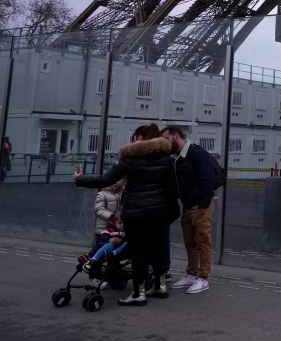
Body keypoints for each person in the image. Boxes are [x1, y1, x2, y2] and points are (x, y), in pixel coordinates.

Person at [75, 124, 180, 306]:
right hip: (159, 212)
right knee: (158, 247)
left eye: (136, 136)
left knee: (138, 252)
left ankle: (138, 294)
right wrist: (171, 213)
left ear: (139, 139)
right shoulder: (167, 158)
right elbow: (173, 190)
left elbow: (106, 180)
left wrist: (79, 178)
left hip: (136, 213)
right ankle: (159, 286)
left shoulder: (131, 157)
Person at [163, 126, 216, 295]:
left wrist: (203, 204)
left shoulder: (195, 152)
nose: (165, 142)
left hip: (200, 206)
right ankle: (191, 274)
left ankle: (203, 277)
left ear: (176, 135)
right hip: (187, 205)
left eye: (166, 138)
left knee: (203, 241)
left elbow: (207, 178)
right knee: (190, 242)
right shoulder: (179, 157)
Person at [92, 179, 125, 254]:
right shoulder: (102, 194)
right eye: (113, 181)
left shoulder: (120, 195)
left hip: (116, 228)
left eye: (118, 181)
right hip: (103, 228)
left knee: (112, 249)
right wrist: (112, 217)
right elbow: (99, 209)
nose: (115, 183)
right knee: (99, 248)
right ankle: (89, 261)